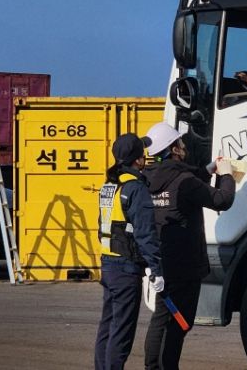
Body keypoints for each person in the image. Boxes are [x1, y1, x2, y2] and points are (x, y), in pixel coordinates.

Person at [142, 122, 236, 370]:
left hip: (161, 262)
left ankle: (152, 366)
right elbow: (221, 199)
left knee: (161, 319)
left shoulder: (148, 178)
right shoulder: (184, 180)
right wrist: (226, 175)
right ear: (173, 149)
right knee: (179, 322)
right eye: (180, 143)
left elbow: (185, 184)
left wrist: (209, 170)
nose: (184, 146)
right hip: (185, 265)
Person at [94, 133, 164, 370]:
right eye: (143, 153)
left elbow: (103, 226)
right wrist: (156, 269)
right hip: (126, 269)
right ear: (137, 160)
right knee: (121, 333)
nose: (146, 157)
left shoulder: (109, 185)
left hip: (108, 265)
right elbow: (145, 233)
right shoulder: (135, 188)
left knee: (107, 326)